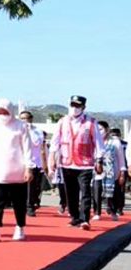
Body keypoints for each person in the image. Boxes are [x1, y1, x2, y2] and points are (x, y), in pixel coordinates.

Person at [0, 99, 34, 241]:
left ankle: (20, 227)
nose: (3, 114)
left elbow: (28, 149)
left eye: (5, 111)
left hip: (18, 171)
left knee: (19, 202)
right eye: (0, 111)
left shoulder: (21, 126)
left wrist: (29, 168)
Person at [48, 95, 104, 229]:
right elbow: (55, 143)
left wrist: (99, 160)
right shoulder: (62, 122)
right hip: (67, 162)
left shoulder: (91, 122)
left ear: (83, 107)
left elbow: (98, 142)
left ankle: (85, 219)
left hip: (85, 163)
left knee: (85, 191)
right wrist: (52, 159)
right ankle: (74, 217)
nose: (74, 108)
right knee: (70, 192)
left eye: (77, 106)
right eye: (72, 105)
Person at [93, 123, 126, 221]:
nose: (99, 132)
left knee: (112, 194)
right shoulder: (95, 142)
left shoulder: (115, 142)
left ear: (107, 130)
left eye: (101, 129)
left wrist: (122, 172)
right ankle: (97, 212)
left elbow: (121, 159)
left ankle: (113, 211)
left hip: (112, 173)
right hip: (97, 173)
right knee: (96, 191)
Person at [19, 111, 47, 217]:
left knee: (34, 186)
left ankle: (32, 204)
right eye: (21, 118)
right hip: (20, 162)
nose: (24, 121)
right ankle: (27, 206)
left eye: (26, 118)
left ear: (31, 119)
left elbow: (38, 145)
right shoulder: (17, 131)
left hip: (34, 162)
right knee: (23, 186)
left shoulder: (37, 131)